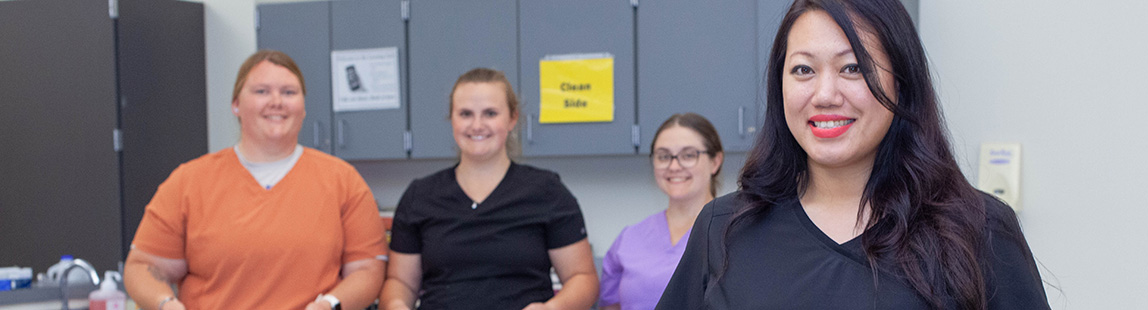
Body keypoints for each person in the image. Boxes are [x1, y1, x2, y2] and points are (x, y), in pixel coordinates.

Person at [656, 0, 1050, 309]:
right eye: (803, 70)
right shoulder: (725, 230)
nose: (825, 94)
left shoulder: (978, 230)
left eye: (853, 68)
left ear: (902, 83)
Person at [124, 50, 388, 310]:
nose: (276, 101)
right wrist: (166, 304)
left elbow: (368, 269)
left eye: (289, 92)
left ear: (303, 107)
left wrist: (329, 305)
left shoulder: (343, 181)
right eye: (262, 91)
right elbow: (143, 265)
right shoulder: (188, 182)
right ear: (236, 105)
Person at [380, 68, 599, 310]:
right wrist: (396, 305)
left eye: (490, 113)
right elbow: (401, 282)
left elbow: (583, 279)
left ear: (512, 119)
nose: (477, 125)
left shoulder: (548, 192)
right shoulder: (419, 197)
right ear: (451, 119)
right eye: (465, 114)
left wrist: (551, 309)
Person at [598, 113, 724, 310]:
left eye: (688, 155)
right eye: (664, 156)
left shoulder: (733, 234)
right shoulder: (629, 239)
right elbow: (610, 305)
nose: (674, 166)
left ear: (715, 161)